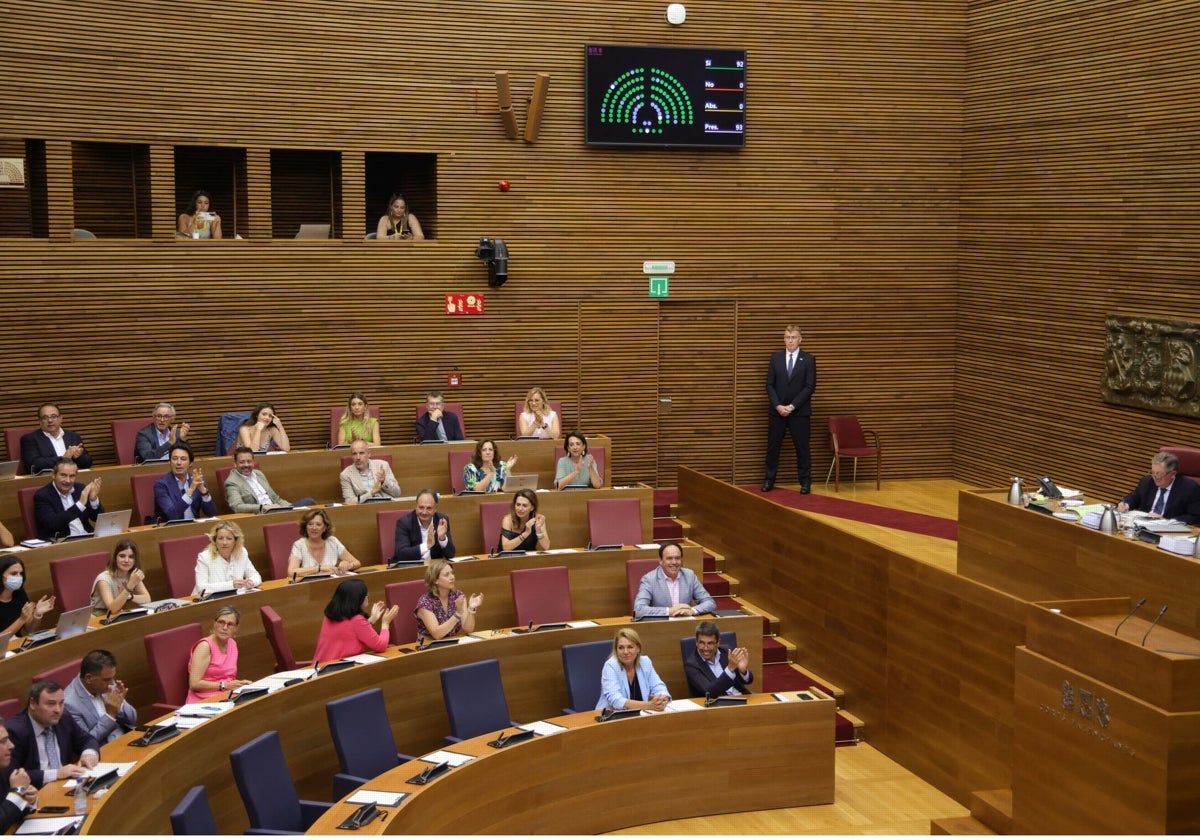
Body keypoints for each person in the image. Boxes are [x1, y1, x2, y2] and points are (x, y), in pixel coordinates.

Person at [7, 680, 100, 786]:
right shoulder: (15, 730)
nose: (58, 710)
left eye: (61, 703)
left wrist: (88, 754)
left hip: (66, 784)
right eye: (51, 704)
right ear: (33, 703)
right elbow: (12, 775)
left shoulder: (63, 717)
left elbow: (87, 739)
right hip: (35, 793)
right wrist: (56, 774)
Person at [763, 324, 816, 493]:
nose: (790, 341)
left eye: (793, 337)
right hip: (777, 412)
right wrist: (778, 405)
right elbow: (769, 384)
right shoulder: (775, 358)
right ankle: (769, 480)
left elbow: (809, 386)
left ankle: (805, 482)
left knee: (802, 448)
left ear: (800, 339)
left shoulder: (808, 359)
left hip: (799, 413)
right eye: (787, 337)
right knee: (773, 448)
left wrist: (792, 406)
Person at [312, 579, 398, 661]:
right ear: (357, 599)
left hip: (319, 669)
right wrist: (385, 624)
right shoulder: (357, 620)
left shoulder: (330, 615)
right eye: (366, 594)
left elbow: (349, 632)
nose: (368, 596)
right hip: (337, 672)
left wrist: (371, 620)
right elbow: (381, 646)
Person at [63, 650, 137, 744]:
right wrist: (110, 715)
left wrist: (120, 705)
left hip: (128, 740)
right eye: (107, 680)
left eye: (112, 678)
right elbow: (86, 742)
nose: (111, 683)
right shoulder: (69, 704)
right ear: (89, 678)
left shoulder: (107, 683)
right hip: (105, 752)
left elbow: (132, 720)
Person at [186, 606, 251, 703]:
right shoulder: (204, 646)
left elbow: (228, 677)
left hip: (226, 696)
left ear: (236, 628)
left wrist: (239, 684)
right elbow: (194, 684)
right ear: (214, 623)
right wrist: (224, 685)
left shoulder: (232, 644)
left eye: (230, 624)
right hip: (203, 701)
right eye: (221, 622)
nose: (224, 627)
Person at [634, 542, 716, 619]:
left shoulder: (689, 575)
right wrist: (669, 611)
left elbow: (709, 602)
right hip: (660, 627)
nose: (674, 562)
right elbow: (639, 609)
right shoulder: (649, 579)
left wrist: (692, 611)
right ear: (660, 561)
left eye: (677, 558)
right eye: (669, 558)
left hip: (685, 624)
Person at [596, 628, 670, 712]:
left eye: (630, 647)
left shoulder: (645, 662)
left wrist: (662, 699)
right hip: (611, 717)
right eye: (621, 648)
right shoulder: (610, 666)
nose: (626, 652)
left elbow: (658, 686)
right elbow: (616, 700)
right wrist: (649, 705)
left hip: (642, 715)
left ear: (638, 649)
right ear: (616, 650)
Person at [1118, 451, 1200, 524]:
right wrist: (1126, 504)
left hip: (1169, 532)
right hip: (1143, 526)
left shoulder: (1189, 488)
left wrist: (1167, 521)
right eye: (1153, 473)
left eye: (1159, 474)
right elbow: (1135, 497)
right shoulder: (1147, 481)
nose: (1155, 477)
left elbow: (1195, 515)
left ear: (1173, 474)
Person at [414, 559, 482, 644]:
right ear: (435, 580)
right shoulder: (425, 602)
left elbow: (468, 628)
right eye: (447, 575)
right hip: (428, 646)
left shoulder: (457, 596)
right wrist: (457, 614)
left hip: (450, 644)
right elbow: (437, 634)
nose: (452, 577)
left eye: (452, 573)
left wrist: (471, 609)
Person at [33, 458, 103, 541]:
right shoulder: (42, 495)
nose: (68, 480)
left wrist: (93, 500)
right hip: (64, 542)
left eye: (72, 476)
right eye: (63, 475)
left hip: (88, 538)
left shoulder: (80, 488)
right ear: (53, 475)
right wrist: (79, 505)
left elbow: (97, 519)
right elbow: (52, 524)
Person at [683, 620, 754, 698]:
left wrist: (742, 670)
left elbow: (748, 680)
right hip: (719, 704)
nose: (705, 648)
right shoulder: (691, 665)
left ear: (718, 643)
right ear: (696, 642)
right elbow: (710, 692)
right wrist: (729, 670)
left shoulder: (726, 651)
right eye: (701, 643)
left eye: (710, 643)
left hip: (742, 697)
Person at [192, 521, 262, 596]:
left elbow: (256, 576)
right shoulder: (205, 557)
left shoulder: (242, 552)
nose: (224, 542)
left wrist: (251, 581)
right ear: (214, 540)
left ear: (235, 541)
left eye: (229, 538)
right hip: (206, 601)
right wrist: (231, 585)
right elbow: (202, 587)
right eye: (220, 538)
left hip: (233, 598)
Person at [288, 510, 361, 579]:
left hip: (330, 584)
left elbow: (357, 563)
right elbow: (291, 572)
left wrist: (347, 565)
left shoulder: (333, 541)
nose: (314, 528)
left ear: (325, 527)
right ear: (305, 527)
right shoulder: (299, 545)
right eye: (310, 524)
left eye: (318, 524)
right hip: (308, 587)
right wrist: (319, 568)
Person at [20, 403, 91, 474]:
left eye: (53, 416)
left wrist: (78, 456)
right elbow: (33, 464)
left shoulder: (73, 436)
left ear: (60, 418)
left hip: (74, 478)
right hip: (46, 480)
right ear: (40, 421)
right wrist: (63, 458)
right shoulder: (29, 439)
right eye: (45, 417)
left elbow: (88, 463)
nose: (50, 420)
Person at [154, 443, 215, 523]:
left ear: (190, 463)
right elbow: (172, 515)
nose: (178, 463)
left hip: (194, 527)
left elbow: (211, 513)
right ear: (170, 462)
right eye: (175, 459)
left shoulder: (197, 480)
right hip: (170, 530)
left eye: (183, 459)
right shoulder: (161, 485)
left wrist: (204, 492)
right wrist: (190, 490)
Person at [391, 490, 455, 565]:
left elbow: (450, 554)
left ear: (435, 509)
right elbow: (401, 554)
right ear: (416, 506)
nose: (424, 512)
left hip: (433, 569)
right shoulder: (404, 523)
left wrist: (442, 539)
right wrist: (427, 546)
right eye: (421, 507)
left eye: (429, 508)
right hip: (411, 568)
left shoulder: (441, 520)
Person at [224, 446, 292, 514]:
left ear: (253, 462)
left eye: (249, 461)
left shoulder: (259, 474)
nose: (246, 465)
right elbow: (237, 507)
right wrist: (262, 507)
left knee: (302, 504)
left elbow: (276, 499)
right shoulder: (231, 482)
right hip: (260, 515)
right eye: (242, 462)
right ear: (235, 464)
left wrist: (290, 507)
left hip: (277, 511)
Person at [90, 539, 150, 615]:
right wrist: (130, 586)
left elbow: (147, 599)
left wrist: (130, 596)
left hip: (118, 614)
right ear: (115, 558)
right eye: (122, 556)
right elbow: (112, 609)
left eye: (131, 557)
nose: (126, 560)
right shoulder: (103, 579)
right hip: (99, 616)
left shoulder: (132, 575)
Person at [0, 557, 54, 637]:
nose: (19, 577)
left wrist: (37, 614)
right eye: (14, 573)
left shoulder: (19, 593)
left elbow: (30, 630)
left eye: (21, 573)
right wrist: (21, 619)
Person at [0, 720, 39, 831]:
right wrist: (17, 793)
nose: (11, 746)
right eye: (3, 741)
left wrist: (28, 800)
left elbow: (8, 811)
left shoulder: (5, 769)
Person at [340, 439, 402, 504]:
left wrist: (384, 481)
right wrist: (372, 492)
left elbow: (397, 493)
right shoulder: (346, 475)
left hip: (386, 505)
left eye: (361, 453)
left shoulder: (383, 465)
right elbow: (350, 502)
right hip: (364, 509)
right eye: (354, 454)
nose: (358, 457)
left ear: (369, 454)